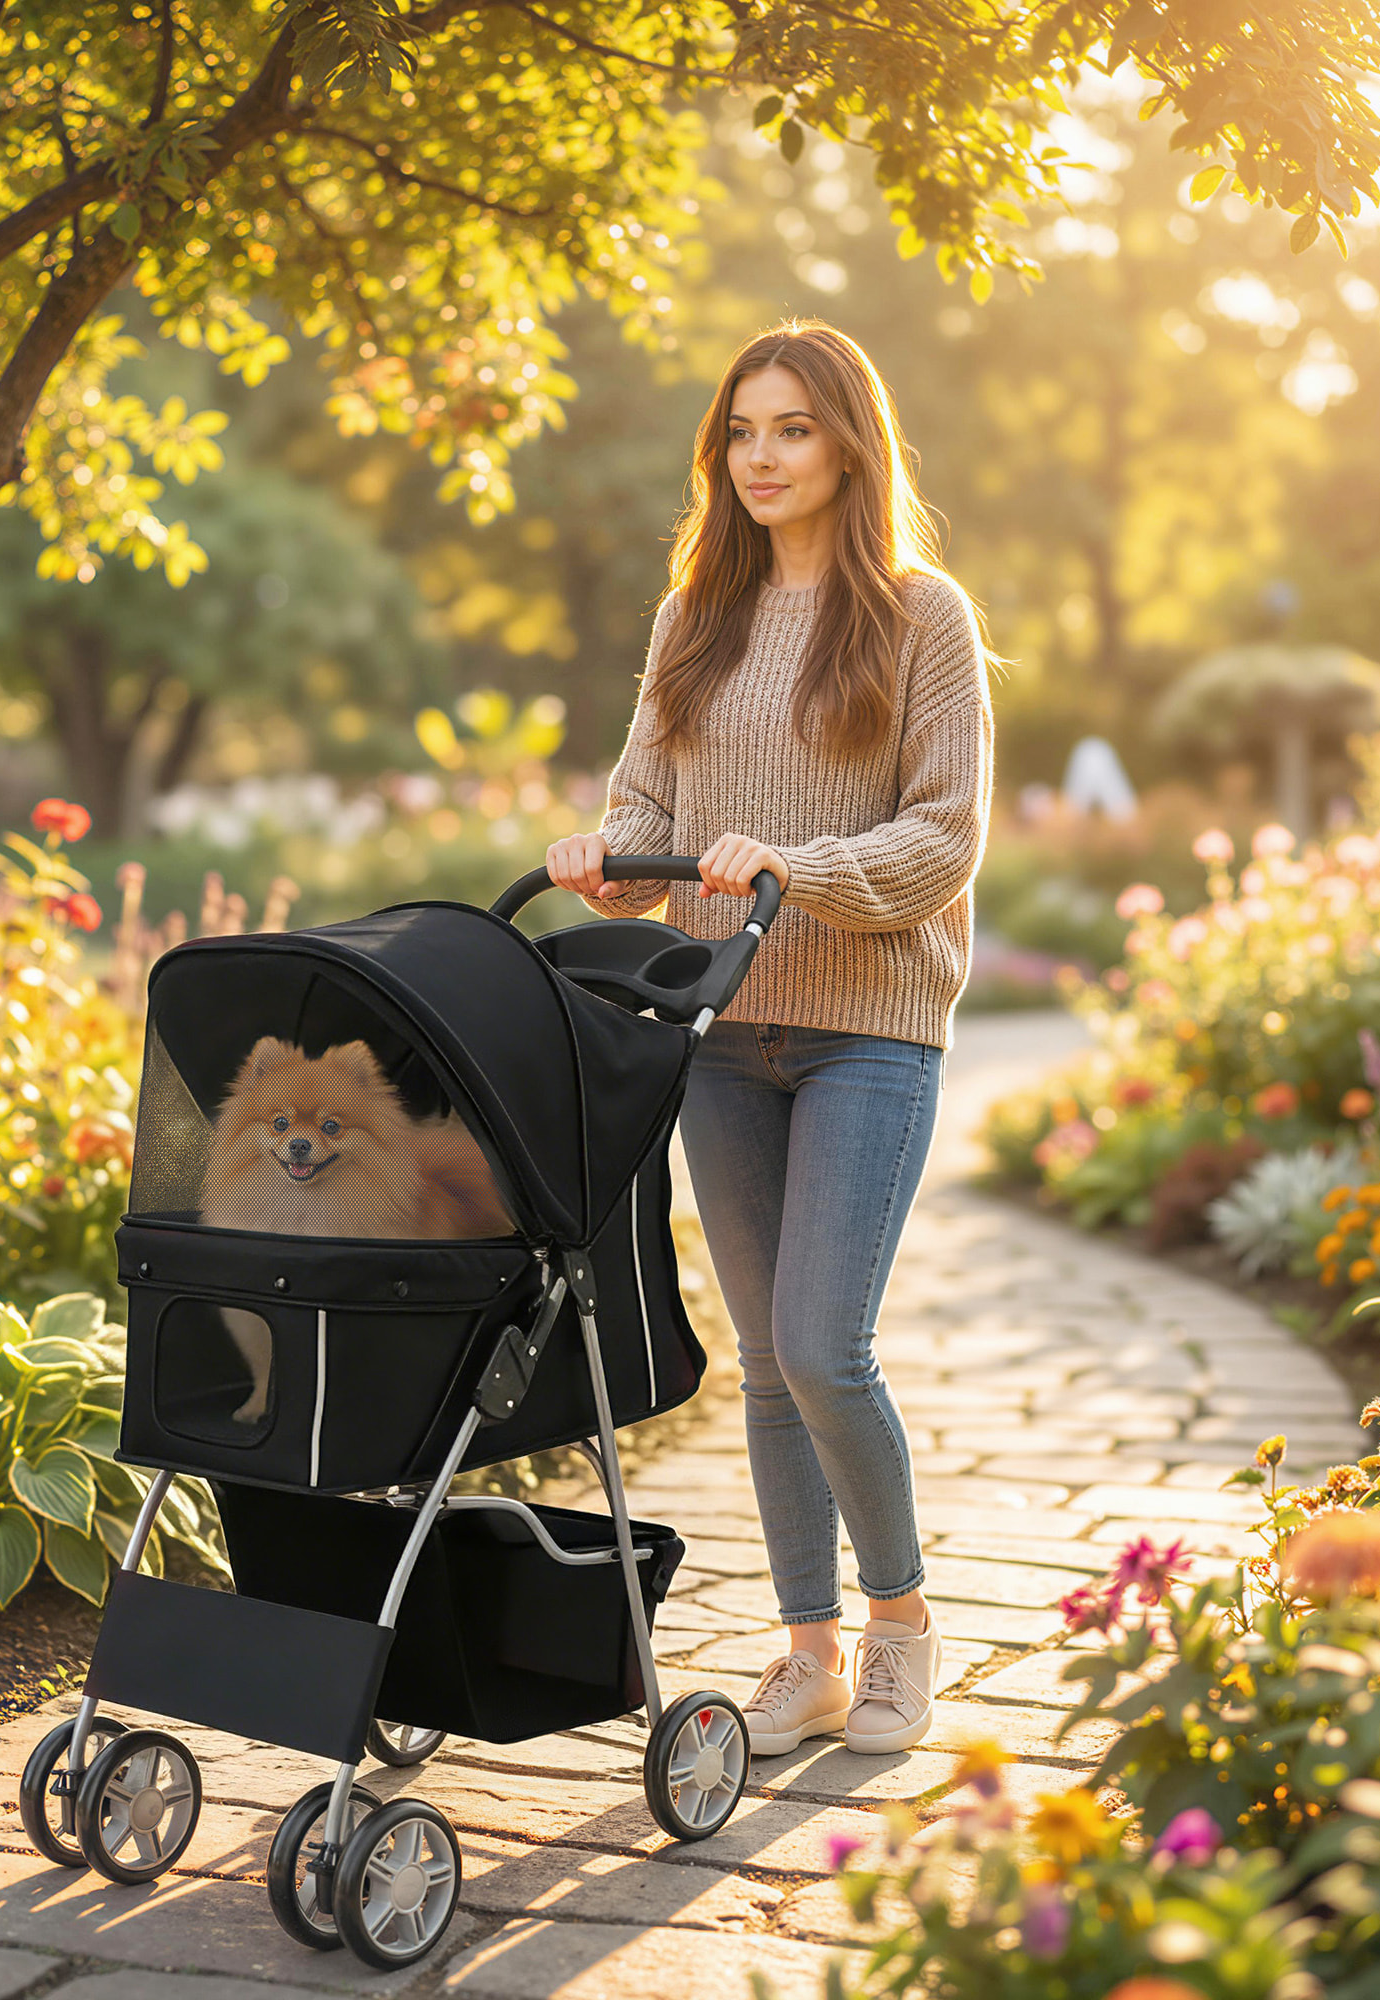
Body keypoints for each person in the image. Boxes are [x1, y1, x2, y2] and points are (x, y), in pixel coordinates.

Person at [547, 319, 993, 1757]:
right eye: (742, 432)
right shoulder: (694, 619)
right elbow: (645, 802)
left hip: (870, 1027)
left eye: (793, 429)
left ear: (851, 443)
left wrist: (802, 865)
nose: (761, 457)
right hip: (724, 1025)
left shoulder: (925, 617)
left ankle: (905, 1625)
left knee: (822, 1345)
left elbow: (944, 834)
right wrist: (606, 859)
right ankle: (809, 1654)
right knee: (762, 1358)